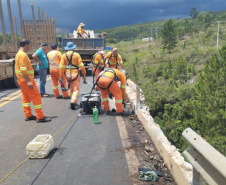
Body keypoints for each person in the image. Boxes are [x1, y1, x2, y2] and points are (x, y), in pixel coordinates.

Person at [15, 39, 51, 123]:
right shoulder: (23, 55)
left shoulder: (18, 54)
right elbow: (23, 70)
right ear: (26, 45)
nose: (29, 47)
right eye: (29, 45)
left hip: (21, 80)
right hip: (26, 80)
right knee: (36, 97)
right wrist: (28, 81)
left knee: (26, 98)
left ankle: (28, 115)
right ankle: (40, 117)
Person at [59, 42, 87, 110]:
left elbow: (61, 67)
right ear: (73, 48)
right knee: (76, 90)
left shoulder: (64, 55)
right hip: (75, 74)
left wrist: (60, 76)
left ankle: (72, 101)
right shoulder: (76, 55)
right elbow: (81, 66)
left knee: (70, 88)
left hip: (67, 75)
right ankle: (73, 101)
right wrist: (84, 73)